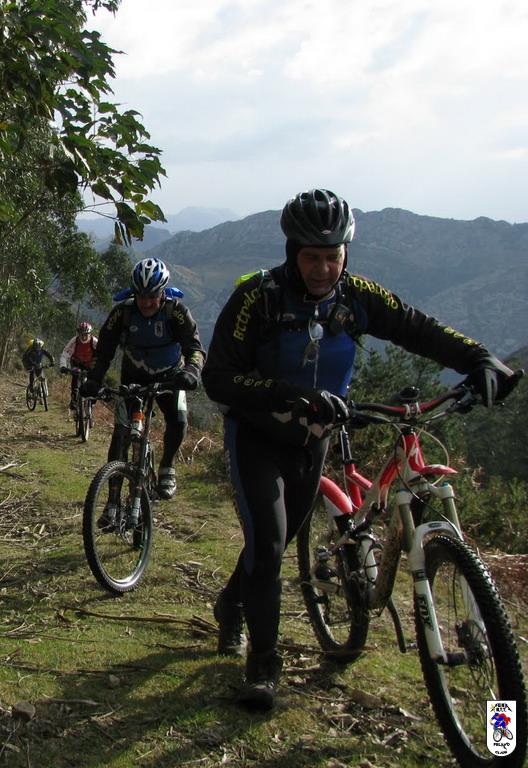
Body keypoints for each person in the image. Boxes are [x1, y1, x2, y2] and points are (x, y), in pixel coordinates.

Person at [202, 188, 519, 710]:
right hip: (258, 437)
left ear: (345, 252)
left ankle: (231, 602)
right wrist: (291, 394)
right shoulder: (258, 297)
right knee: (269, 543)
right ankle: (262, 664)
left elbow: (417, 328)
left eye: (333, 256)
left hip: (314, 441)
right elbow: (218, 378)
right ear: (292, 253)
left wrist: (480, 359)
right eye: (312, 257)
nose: (323, 268)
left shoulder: (357, 296)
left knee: (275, 541)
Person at [80, 257, 206, 502]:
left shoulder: (176, 311)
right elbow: (103, 352)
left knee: (179, 420)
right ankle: (112, 502)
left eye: (152, 296)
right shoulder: (123, 313)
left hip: (171, 377)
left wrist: (192, 371)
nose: (147, 302)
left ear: (162, 292)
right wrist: (94, 379)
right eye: (141, 296)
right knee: (121, 436)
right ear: (134, 293)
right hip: (134, 378)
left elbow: (195, 348)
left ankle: (167, 467)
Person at [59, 321, 99, 409]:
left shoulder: (94, 341)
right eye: (82, 334)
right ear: (79, 334)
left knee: (94, 380)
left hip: (90, 364)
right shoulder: (75, 341)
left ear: (90, 334)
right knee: (75, 377)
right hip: (77, 363)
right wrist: (63, 366)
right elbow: (65, 354)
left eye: (86, 334)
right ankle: (74, 400)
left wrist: (99, 367)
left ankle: (92, 401)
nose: (84, 337)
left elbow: (102, 354)